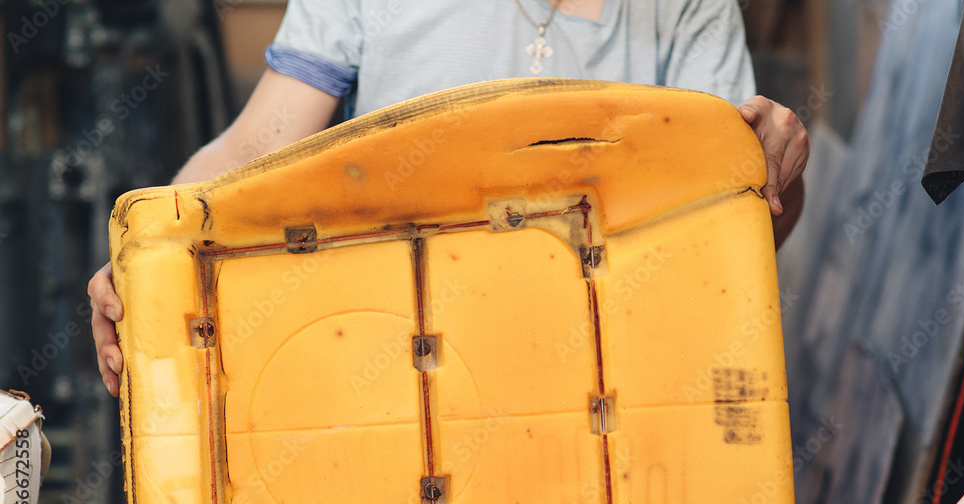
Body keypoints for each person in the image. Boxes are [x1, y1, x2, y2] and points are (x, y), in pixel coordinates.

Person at [88, 0, 810, 397]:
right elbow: (253, 153)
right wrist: (144, 253)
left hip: (605, 389)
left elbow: (727, 232)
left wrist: (775, 164)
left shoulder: (686, 7)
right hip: (403, 379)